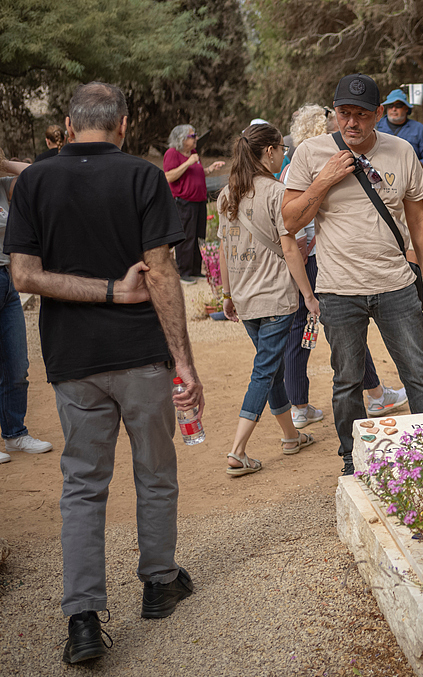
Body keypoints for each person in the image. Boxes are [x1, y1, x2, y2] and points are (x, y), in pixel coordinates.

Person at [5, 81, 203, 664]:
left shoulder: (34, 180)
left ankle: (84, 621)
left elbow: (23, 275)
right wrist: (183, 360)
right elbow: (164, 275)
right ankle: (159, 583)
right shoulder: (142, 176)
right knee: (156, 472)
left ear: (68, 125)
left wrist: (106, 293)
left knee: (83, 488)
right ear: (123, 123)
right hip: (143, 356)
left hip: (73, 361)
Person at [282, 73, 423, 474]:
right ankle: (354, 459)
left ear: (379, 114)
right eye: (343, 113)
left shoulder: (402, 151)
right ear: (334, 113)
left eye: (362, 115)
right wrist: (324, 180)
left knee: (417, 374)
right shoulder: (310, 154)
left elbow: (417, 214)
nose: (351, 123)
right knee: (347, 381)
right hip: (338, 289)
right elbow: (290, 219)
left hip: (396, 285)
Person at [281, 104, 407, 427]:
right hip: (312, 262)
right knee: (307, 334)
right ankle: (305, 404)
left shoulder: (325, 161)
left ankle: (368, 393)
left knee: (328, 336)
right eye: (332, 122)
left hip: (318, 260)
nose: (341, 129)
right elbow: (291, 226)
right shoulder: (311, 163)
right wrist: (308, 289)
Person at [217, 123, 319, 476]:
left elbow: (223, 250)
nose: (285, 155)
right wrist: (309, 295)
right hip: (275, 298)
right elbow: (290, 249)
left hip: (244, 298)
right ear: (270, 151)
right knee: (264, 371)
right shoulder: (278, 193)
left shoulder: (226, 194)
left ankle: (291, 436)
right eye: (282, 149)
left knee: (271, 368)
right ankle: (237, 450)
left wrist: (226, 294)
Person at [0, 148, 53, 464]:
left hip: (7, 281)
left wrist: (4, 163)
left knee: (16, 366)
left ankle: (15, 434)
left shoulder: (4, 184)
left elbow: (36, 173)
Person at [163, 124, 225, 285]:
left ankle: (196, 270)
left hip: (199, 201)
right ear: (181, 139)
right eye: (193, 136)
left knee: (199, 236)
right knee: (186, 237)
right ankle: (184, 272)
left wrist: (210, 169)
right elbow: (168, 176)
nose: (196, 138)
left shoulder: (193, 153)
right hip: (184, 202)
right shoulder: (172, 154)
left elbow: (196, 173)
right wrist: (188, 162)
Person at [376, 89, 423, 172]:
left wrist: (417, 165)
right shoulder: (375, 127)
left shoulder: (419, 129)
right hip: (380, 179)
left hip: (410, 180)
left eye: (398, 105)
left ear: (406, 108)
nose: (394, 109)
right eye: (390, 106)